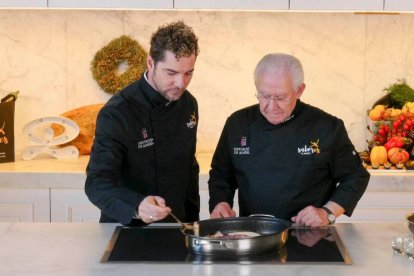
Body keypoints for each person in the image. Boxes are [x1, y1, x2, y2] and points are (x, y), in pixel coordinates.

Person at [208, 53, 370, 227]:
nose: (271, 106)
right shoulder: (238, 123)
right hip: (254, 233)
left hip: (309, 235)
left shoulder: (326, 126)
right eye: (264, 96)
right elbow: (221, 173)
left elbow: (356, 176)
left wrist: (328, 212)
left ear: (299, 90)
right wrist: (221, 203)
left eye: (280, 97)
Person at [85, 21, 200, 225]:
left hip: (176, 227)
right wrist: (137, 205)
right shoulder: (118, 112)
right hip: (127, 227)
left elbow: (189, 170)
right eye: (171, 73)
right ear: (150, 63)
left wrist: (193, 224)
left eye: (188, 73)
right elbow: (97, 183)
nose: (181, 83)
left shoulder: (188, 104)